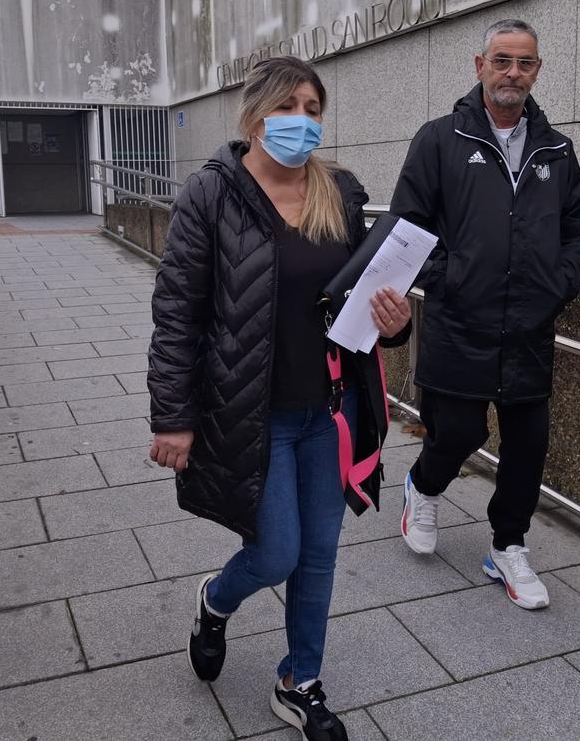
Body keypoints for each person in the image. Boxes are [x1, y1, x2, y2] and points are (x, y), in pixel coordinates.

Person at [148, 56, 410, 741]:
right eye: (289, 105)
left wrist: (396, 320)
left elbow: (364, 294)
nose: (303, 121)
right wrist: (173, 417)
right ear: (256, 114)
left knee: (318, 554)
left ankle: (299, 682)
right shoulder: (211, 196)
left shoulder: (341, 193)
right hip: (248, 412)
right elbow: (177, 312)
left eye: (314, 108)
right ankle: (214, 600)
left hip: (329, 410)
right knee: (275, 554)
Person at [390, 18, 580, 610]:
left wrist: (555, 287)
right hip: (461, 322)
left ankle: (508, 546)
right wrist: (447, 280)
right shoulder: (440, 139)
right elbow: (409, 227)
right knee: (458, 431)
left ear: (537, 71)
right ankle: (423, 487)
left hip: (530, 327)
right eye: (501, 60)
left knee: (528, 443)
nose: (512, 73)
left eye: (524, 62)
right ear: (479, 65)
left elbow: (577, 231)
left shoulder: (557, 149)